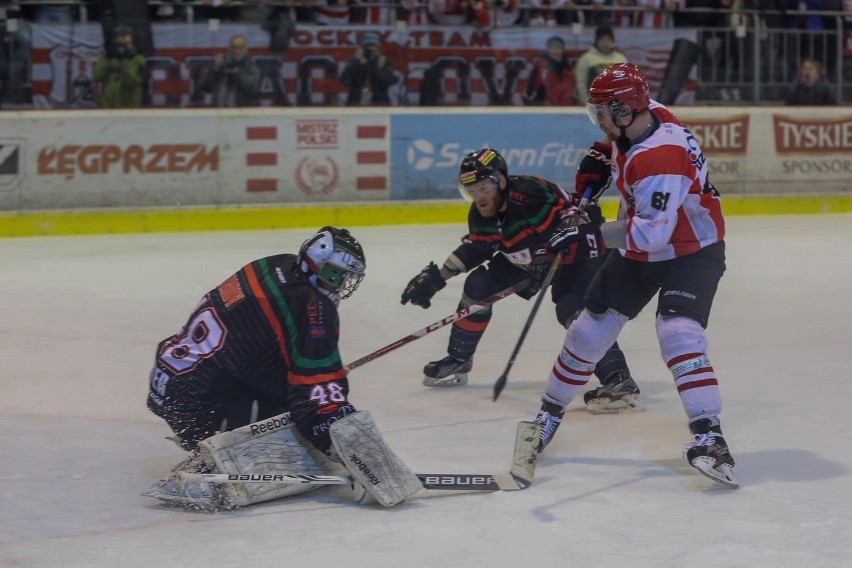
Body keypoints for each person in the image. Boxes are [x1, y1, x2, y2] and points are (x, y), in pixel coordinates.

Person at [528, 63, 736, 488]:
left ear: (625, 110)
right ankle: (547, 415)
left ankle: (710, 437)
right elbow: (622, 152)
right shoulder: (645, 116)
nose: (600, 122)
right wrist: (604, 154)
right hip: (644, 245)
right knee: (588, 331)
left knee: (678, 331)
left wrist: (588, 231)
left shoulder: (662, 157)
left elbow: (651, 235)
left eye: (603, 114)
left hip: (691, 251)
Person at [144, 227, 423, 509]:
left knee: (299, 389)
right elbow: (318, 404)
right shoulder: (313, 307)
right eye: (335, 275)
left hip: (172, 379)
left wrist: (312, 370)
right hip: (202, 404)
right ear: (316, 264)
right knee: (295, 426)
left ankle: (212, 437)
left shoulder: (276, 263)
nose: (338, 286)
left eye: (344, 278)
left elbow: (258, 337)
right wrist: (359, 458)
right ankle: (207, 471)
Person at [400, 148, 641, 413]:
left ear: (501, 180)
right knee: (478, 286)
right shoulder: (480, 215)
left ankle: (617, 377)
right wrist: (435, 278)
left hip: (575, 256)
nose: (477, 196)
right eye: (472, 189)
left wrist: (554, 245)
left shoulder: (530, 191)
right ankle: (459, 358)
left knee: (571, 307)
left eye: (483, 187)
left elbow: (582, 216)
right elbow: (477, 249)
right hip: (527, 261)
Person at [198, 34, 261, 107]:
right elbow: (205, 87)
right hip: (219, 112)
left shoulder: (251, 68)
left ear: (246, 49)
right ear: (230, 48)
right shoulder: (221, 65)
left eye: (240, 48)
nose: (236, 50)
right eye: (234, 47)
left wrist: (237, 75)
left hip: (241, 112)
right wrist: (214, 70)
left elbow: (253, 91)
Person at [92, 25, 147, 109]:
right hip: (107, 106)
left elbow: (133, 82)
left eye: (124, 36)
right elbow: (96, 76)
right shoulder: (108, 57)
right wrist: (108, 57)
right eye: (118, 37)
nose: (121, 39)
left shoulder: (139, 59)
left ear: (131, 39)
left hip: (129, 107)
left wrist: (124, 59)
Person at [573, 24, 628, 105]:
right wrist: (587, 103)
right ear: (596, 41)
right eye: (602, 39)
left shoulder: (621, 59)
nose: (605, 43)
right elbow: (580, 83)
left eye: (608, 40)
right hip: (594, 104)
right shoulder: (586, 59)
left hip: (617, 105)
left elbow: (626, 83)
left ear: (612, 41)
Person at [340, 32, 398, 106]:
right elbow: (345, 80)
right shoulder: (356, 61)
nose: (370, 49)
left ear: (378, 48)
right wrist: (356, 62)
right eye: (367, 46)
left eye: (373, 46)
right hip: (357, 102)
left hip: (379, 103)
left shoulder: (384, 61)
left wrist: (372, 64)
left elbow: (389, 80)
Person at [524, 35, 575, 106]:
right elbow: (529, 92)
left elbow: (571, 90)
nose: (554, 51)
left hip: (566, 109)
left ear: (563, 49)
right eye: (551, 47)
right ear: (547, 50)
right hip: (546, 110)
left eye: (558, 47)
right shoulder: (540, 67)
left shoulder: (568, 68)